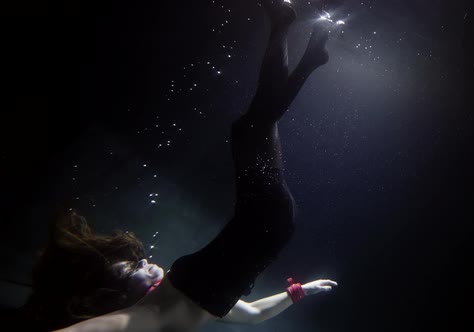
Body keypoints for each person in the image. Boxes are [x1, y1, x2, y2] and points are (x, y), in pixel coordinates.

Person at [21, 1, 338, 331]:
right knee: (252, 127)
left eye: (134, 261)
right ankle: (288, 33)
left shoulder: (174, 294)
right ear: (116, 297)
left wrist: (300, 291)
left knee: (251, 126)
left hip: (268, 220)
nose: (142, 260)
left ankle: (301, 46)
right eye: (132, 271)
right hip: (264, 219)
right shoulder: (134, 318)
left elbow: (255, 314)